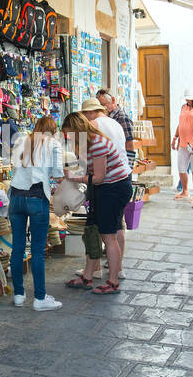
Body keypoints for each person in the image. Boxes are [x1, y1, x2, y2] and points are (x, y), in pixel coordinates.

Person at [60, 109, 131, 295]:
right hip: (103, 189)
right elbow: (85, 169)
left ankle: (113, 282)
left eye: (68, 132)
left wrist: (74, 178)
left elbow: (98, 177)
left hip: (114, 189)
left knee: (108, 236)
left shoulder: (97, 144)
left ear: (76, 129)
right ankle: (87, 276)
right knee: (91, 231)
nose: (66, 136)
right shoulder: (85, 143)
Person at [8, 116, 64, 311]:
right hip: (37, 196)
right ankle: (40, 298)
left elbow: (14, 167)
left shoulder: (22, 140)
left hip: (16, 197)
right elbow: (57, 174)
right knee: (38, 251)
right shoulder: (54, 144)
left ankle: (18, 295)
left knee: (17, 247)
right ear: (53, 129)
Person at [80, 96, 128, 269]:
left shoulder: (94, 125)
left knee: (102, 229)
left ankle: (95, 268)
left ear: (91, 112)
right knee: (118, 224)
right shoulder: (114, 122)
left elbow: (90, 157)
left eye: (84, 115)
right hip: (122, 175)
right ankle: (117, 266)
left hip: (107, 180)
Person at [171, 87, 193, 200]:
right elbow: (180, 123)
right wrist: (175, 137)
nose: (188, 100)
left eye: (190, 99)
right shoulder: (183, 107)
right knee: (181, 168)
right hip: (183, 142)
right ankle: (185, 191)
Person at [97, 88, 137, 167]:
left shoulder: (122, 118)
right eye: (100, 106)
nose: (103, 108)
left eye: (105, 104)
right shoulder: (104, 118)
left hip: (120, 166)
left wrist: (128, 168)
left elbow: (129, 145)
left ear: (113, 100)